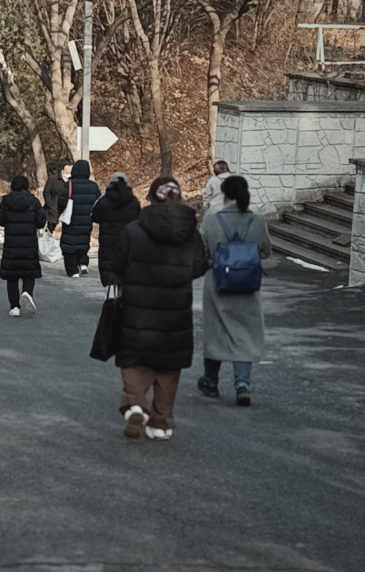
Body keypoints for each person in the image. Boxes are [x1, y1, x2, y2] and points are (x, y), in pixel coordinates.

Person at [110, 177, 209, 441]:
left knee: (134, 360)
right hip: (175, 310)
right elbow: (200, 266)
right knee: (168, 368)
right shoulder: (190, 232)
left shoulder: (134, 229)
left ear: (151, 197)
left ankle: (135, 404)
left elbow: (117, 266)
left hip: (138, 308)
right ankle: (161, 422)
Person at [197, 175, 272, 406]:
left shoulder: (211, 221)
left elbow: (201, 252)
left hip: (218, 282)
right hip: (248, 284)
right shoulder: (257, 220)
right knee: (245, 334)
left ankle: (211, 381)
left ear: (224, 193)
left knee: (216, 331)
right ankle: (242, 384)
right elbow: (266, 251)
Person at [0, 175, 46, 316]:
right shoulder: (34, 202)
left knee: (12, 277)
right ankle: (27, 293)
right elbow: (41, 221)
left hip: (11, 244)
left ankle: (15, 307)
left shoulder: (6, 201)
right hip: (29, 243)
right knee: (29, 274)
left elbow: (0, 219)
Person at [91, 172, 142, 287]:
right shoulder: (133, 201)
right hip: (128, 237)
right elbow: (139, 218)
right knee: (126, 262)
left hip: (107, 238)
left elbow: (95, 217)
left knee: (107, 262)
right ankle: (123, 289)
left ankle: (110, 288)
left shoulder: (103, 201)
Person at [56, 159, 100, 278]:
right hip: (87, 219)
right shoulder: (94, 186)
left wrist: (60, 212)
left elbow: (61, 202)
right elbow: (99, 202)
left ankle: (73, 270)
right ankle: (83, 263)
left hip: (71, 219)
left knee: (69, 243)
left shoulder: (69, 185)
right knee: (83, 240)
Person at [42, 161, 71, 234]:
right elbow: (46, 192)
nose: (68, 173)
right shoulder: (53, 179)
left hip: (69, 207)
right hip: (54, 207)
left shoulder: (73, 180)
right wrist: (50, 205)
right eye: (66, 171)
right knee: (50, 228)